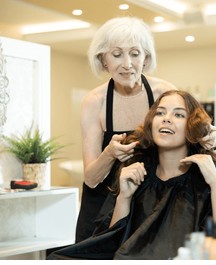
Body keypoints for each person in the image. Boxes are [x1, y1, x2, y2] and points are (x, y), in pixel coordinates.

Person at [48, 90, 216, 260]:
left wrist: (215, 182)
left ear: (192, 127)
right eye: (160, 113)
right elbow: (111, 242)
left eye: (178, 114)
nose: (166, 119)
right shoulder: (137, 173)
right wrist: (125, 196)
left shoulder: (212, 179)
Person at [75, 17, 179, 243]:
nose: (127, 64)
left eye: (135, 53)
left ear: (146, 58)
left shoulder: (165, 93)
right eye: (117, 54)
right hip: (103, 207)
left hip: (153, 204)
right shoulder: (94, 102)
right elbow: (91, 179)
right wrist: (110, 154)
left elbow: (191, 140)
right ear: (103, 60)